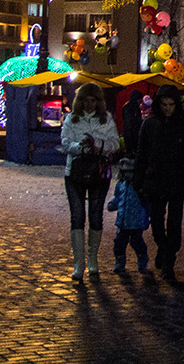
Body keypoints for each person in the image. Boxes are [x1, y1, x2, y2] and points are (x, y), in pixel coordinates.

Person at [134, 85, 184, 281]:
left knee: (175, 224)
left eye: (171, 104)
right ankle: (163, 247)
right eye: (164, 104)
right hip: (156, 181)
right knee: (158, 225)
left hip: (177, 181)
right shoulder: (150, 125)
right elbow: (142, 154)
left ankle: (169, 261)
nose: (168, 108)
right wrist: (139, 182)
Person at [60, 82, 119, 282]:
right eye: (86, 100)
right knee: (77, 216)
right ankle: (79, 262)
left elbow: (115, 143)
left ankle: (92, 260)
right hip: (75, 172)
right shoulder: (72, 119)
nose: (89, 104)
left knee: (95, 215)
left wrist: (99, 146)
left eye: (93, 100)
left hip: (99, 173)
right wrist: (81, 147)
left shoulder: (106, 119)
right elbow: (65, 142)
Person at [106, 156, 151, 274]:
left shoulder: (140, 187)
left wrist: (147, 216)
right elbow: (119, 198)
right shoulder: (121, 185)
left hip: (136, 221)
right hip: (123, 221)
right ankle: (119, 262)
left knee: (136, 241)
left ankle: (142, 260)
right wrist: (112, 204)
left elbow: (146, 203)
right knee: (119, 243)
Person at [121, 89, 145, 157]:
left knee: (130, 150)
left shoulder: (127, 106)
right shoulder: (132, 106)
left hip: (128, 130)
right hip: (132, 131)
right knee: (132, 150)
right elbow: (130, 120)